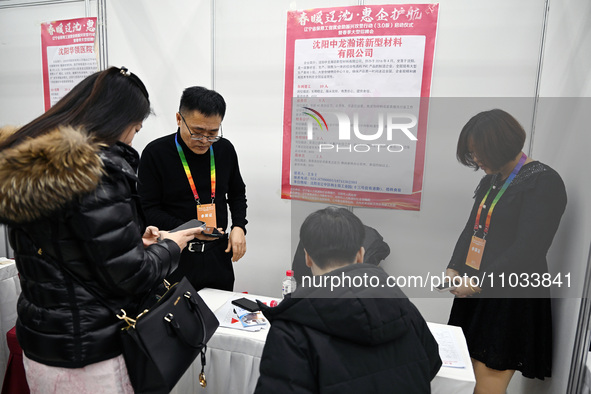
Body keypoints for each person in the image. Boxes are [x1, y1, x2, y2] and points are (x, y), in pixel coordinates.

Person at [0, 66, 212, 393]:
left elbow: (68, 247)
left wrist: (132, 241)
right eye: (135, 128)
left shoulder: (35, 169)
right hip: (90, 354)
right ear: (117, 121)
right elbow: (131, 276)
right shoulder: (95, 175)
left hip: (45, 346)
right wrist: (172, 245)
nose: (132, 138)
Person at [255, 207, 442, 394]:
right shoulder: (404, 307)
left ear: (307, 258)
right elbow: (431, 364)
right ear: (361, 255)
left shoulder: (291, 330)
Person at [444, 109, 567, 393]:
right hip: (476, 289)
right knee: (466, 374)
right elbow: (472, 229)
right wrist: (454, 267)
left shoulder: (543, 181)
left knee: (489, 379)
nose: (476, 160)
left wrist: (476, 283)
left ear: (501, 145)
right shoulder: (493, 179)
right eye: (472, 154)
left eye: (479, 153)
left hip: (509, 295)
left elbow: (529, 249)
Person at [137, 86, 247, 291]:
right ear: (179, 119)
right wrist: (191, 229)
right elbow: (148, 209)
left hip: (218, 257)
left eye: (213, 133)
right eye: (197, 133)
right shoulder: (156, 153)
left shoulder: (224, 150)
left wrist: (239, 226)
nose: (205, 141)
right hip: (174, 257)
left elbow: (237, 192)